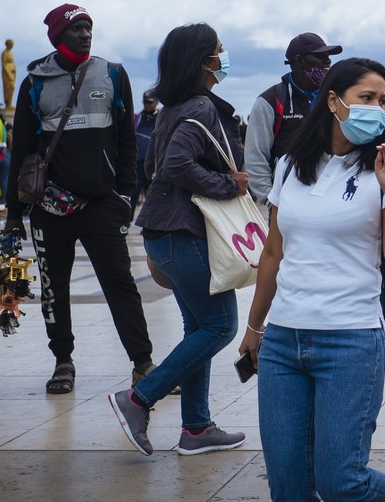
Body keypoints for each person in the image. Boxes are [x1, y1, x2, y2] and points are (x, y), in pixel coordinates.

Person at [237, 59, 385, 502]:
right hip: (283, 343)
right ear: (333, 101)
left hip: (351, 340)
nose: (377, 108)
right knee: (289, 489)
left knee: (342, 483)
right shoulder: (290, 165)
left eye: (382, 101)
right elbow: (273, 251)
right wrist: (254, 328)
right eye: (366, 98)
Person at [108, 23, 246, 456]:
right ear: (204, 61)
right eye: (220, 51)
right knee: (221, 326)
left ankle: (197, 428)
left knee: (198, 327)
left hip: (162, 235)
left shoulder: (171, 108)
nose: (225, 58)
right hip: (183, 234)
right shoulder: (201, 107)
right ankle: (138, 399)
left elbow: (158, 166)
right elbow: (176, 165)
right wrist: (229, 184)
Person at [5, 4, 154, 395]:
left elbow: (125, 142)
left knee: (121, 283)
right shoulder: (35, 81)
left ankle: (143, 362)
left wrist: (125, 195)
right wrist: (13, 215)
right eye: (77, 29)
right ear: (57, 37)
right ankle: (63, 361)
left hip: (102, 203)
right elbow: (20, 148)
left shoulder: (113, 74)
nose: (86, 34)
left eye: (89, 28)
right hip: (49, 207)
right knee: (55, 288)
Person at [246, 32, 342, 205]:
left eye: (328, 57)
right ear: (299, 61)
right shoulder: (269, 101)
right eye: (320, 57)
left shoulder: (335, 97)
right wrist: (270, 202)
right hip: (286, 203)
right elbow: (256, 159)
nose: (327, 62)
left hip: (332, 198)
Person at [131, 89, 160, 215]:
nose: (147, 105)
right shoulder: (136, 118)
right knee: (133, 194)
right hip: (138, 163)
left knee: (154, 197)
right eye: (145, 102)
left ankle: (152, 225)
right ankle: (125, 225)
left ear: (156, 102)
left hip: (156, 165)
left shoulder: (162, 118)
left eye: (150, 102)